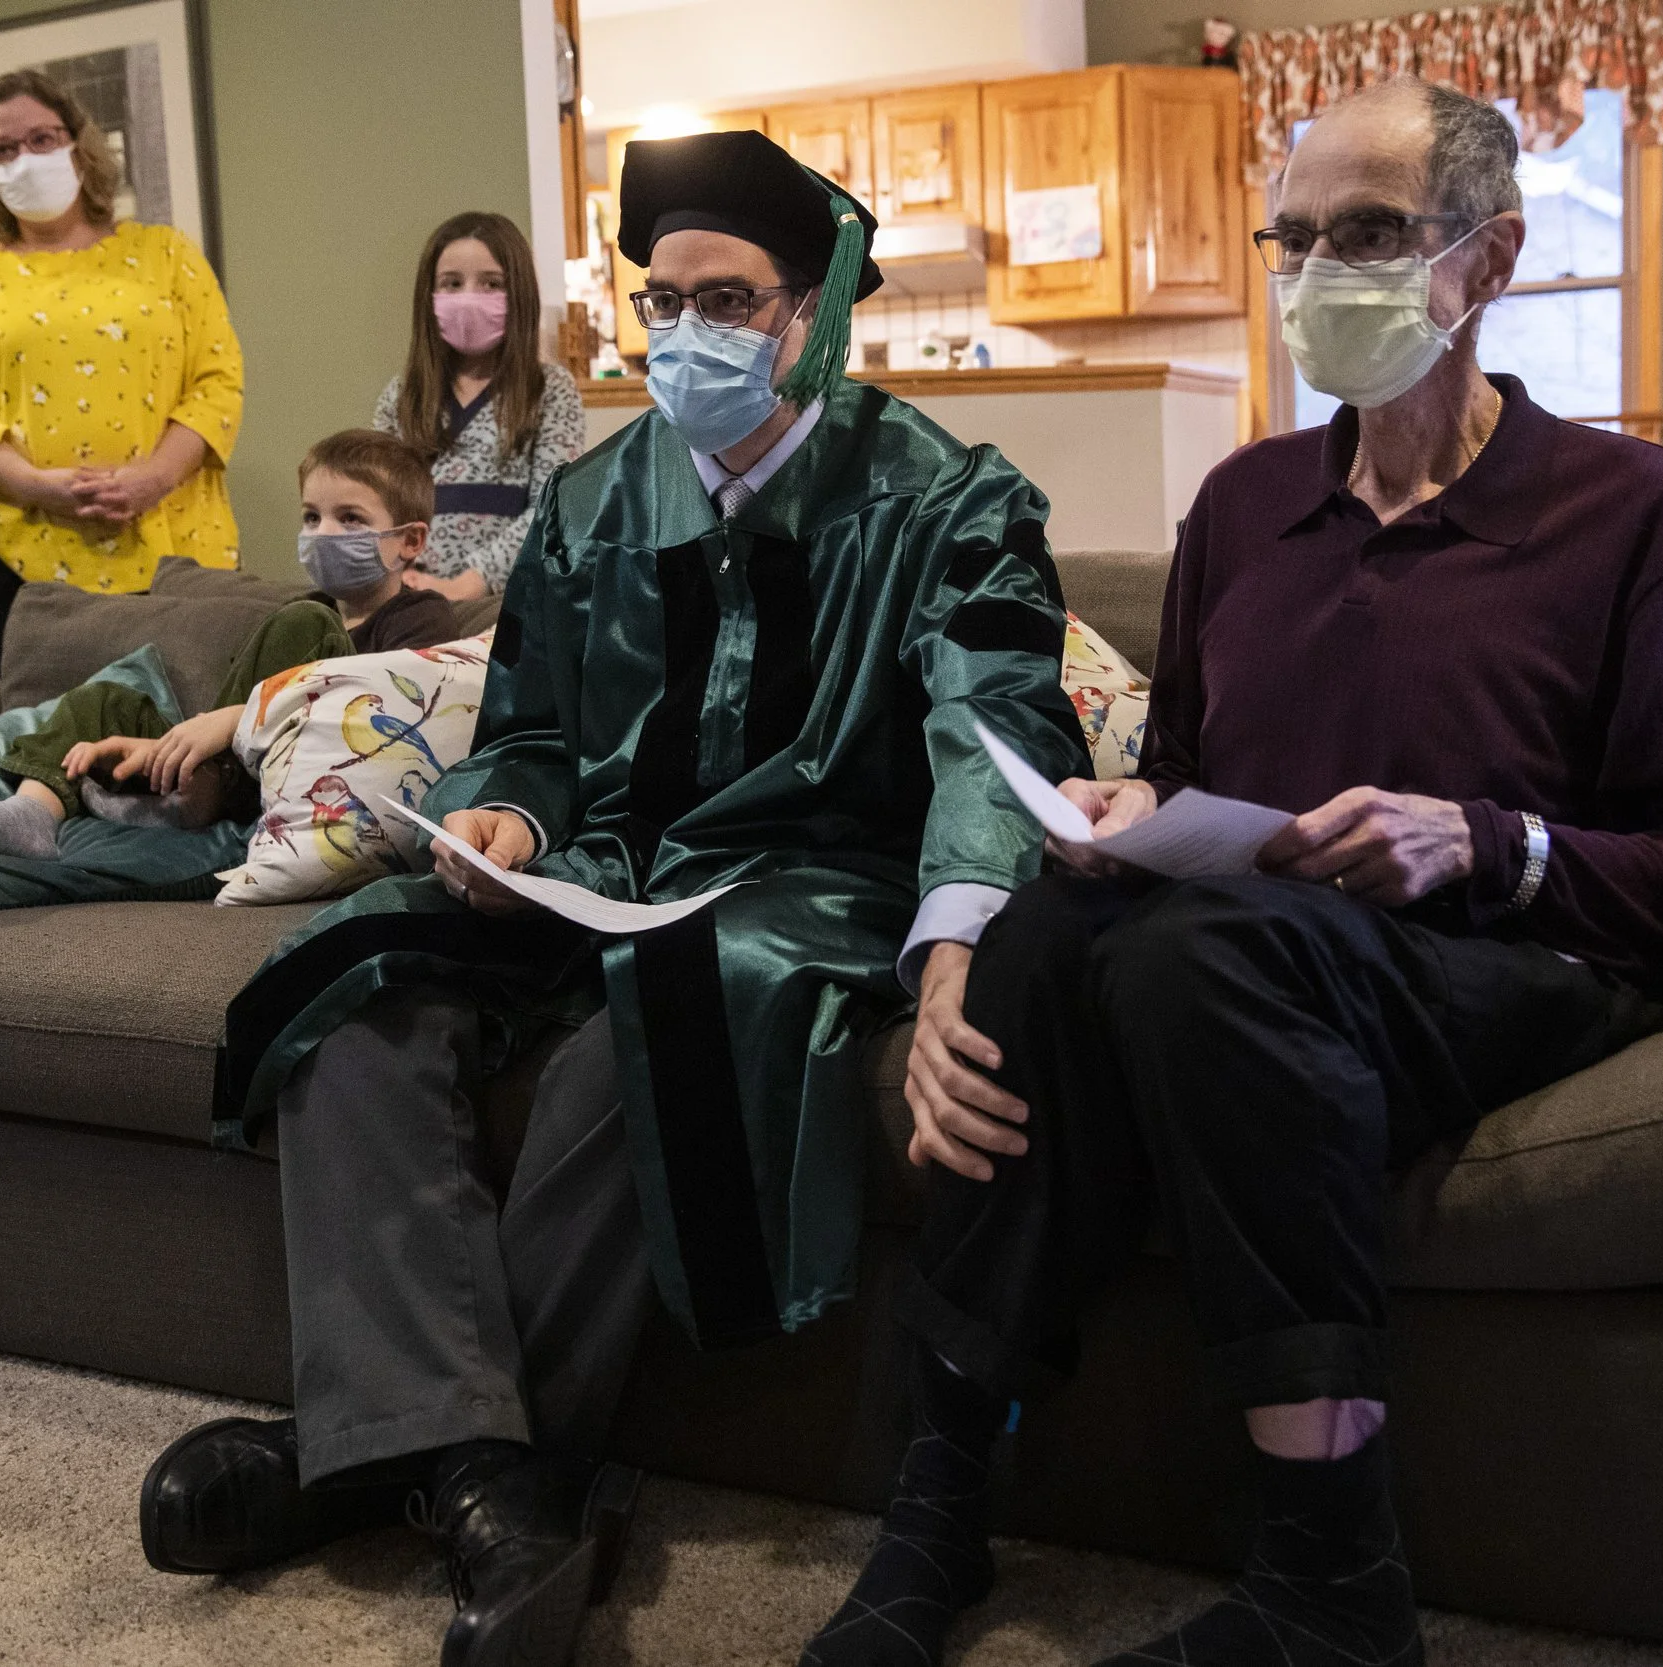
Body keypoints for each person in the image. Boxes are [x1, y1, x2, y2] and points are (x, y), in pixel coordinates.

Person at [803, 81, 1663, 1667]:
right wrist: (1130, 806)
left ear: (1490, 260)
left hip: (1504, 962)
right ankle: (939, 1497)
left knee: (1202, 958)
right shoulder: (1248, 505)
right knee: (1060, 930)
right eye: (1299, 237)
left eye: (1374, 233)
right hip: (1264, 951)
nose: (1325, 271)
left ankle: (1333, 1577)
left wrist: (1485, 837)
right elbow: (1191, 773)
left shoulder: (1634, 513)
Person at [137, 129, 1088, 1667]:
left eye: (729, 300)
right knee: (360, 977)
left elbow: (1002, 733)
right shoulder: (593, 500)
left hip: (807, 878)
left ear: (815, 307)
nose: (687, 335)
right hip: (601, 871)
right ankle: (495, 1482)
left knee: (653, 1023)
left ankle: (392, 1455)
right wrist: (505, 812)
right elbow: (528, 733)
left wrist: (963, 936)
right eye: (663, 301)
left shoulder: (945, 499)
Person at [0, 429, 460, 857]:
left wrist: (231, 721)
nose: (323, 535)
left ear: (409, 540)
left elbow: (396, 711)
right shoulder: (306, 609)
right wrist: (169, 744)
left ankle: (192, 795)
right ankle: (30, 814)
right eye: (312, 517)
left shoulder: (419, 618)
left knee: (305, 621)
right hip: (225, 757)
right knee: (102, 701)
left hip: (301, 777)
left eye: (350, 519)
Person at [0, 68, 245, 680]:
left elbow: (216, 381)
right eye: (3, 149)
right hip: (9, 553)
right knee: (26, 742)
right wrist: (36, 485)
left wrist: (153, 477)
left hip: (167, 544)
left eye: (42, 139)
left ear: (79, 145)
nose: (25, 160)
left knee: (171, 741)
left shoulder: (165, 255)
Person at [374, 211, 587, 600]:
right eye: (451, 284)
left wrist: (468, 584)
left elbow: (553, 510)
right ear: (429, 295)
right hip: (410, 596)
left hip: (507, 603)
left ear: (519, 293)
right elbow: (378, 505)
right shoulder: (402, 396)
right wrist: (405, 581)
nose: (468, 297)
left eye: (491, 284)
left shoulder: (551, 390)